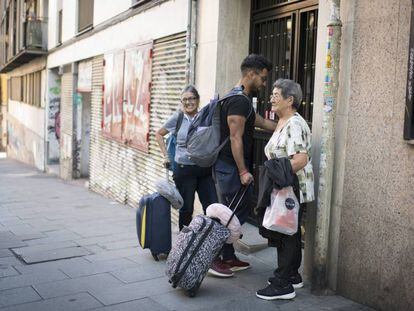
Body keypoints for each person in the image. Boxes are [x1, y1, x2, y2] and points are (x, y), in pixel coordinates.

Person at [209, 54, 277, 277]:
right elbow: (235, 137)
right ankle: (214, 259)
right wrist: (243, 171)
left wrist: (288, 123)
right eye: (263, 79)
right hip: (230, 167)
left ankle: (228, 257)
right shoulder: (238, 100)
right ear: (251, 74)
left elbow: (262, 122)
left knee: (233, 214)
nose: (264, 84)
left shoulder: (241, 99)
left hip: (229, 167)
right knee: (227, 216)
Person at [255, 79, 315, 300]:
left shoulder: (295, 124)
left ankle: (283, 285)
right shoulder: (283, 121)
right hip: (283, 186)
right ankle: (291, 276)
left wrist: (277, 175)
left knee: (287, 233)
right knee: (287, 231)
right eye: (271, 94)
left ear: (290, 100)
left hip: (290, 187)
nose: (271, 98)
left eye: (276, 94)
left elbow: (300, 159)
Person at [155, 85, 218, 231]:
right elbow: (159, 134)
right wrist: (165, 155)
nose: (189, 102)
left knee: (211, 207)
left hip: (204, 169)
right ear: (181, 102)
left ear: (198, 99)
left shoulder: (205, 116)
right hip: (184, 170)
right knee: (186, 209)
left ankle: (209, 244)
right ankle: (184, 246)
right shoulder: (177, 118)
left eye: (192, 98)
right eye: (185, 100)